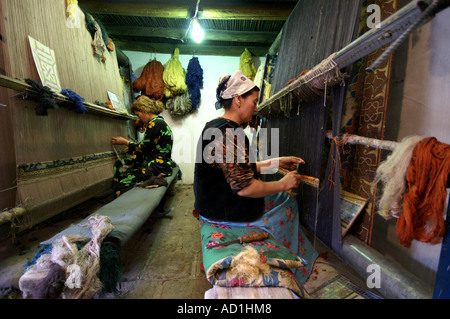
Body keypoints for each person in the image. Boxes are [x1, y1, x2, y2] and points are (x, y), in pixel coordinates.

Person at [193, 70, 317, 283]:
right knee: (287, 203)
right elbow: (245, 187)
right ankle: (293, 265)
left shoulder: (215, 126)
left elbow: (242, 168)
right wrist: (282, 183)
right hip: (223, 212)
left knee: (278, 196)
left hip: (212, 204)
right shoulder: (230, 134)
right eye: (254, 101)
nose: (256, 108)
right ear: (238, 100)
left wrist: (277, 162)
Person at [111, 95, 174, 198]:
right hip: (162, 165)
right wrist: (132, 149)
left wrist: (126, 142)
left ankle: (132, 209)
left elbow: (143, 149)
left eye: (138, 114)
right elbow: (149, 147)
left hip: (156, 168)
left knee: (121, 185)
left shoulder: (154, 124)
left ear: (144, 110)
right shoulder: (159, 122)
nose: (138, 117)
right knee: (123, 169)